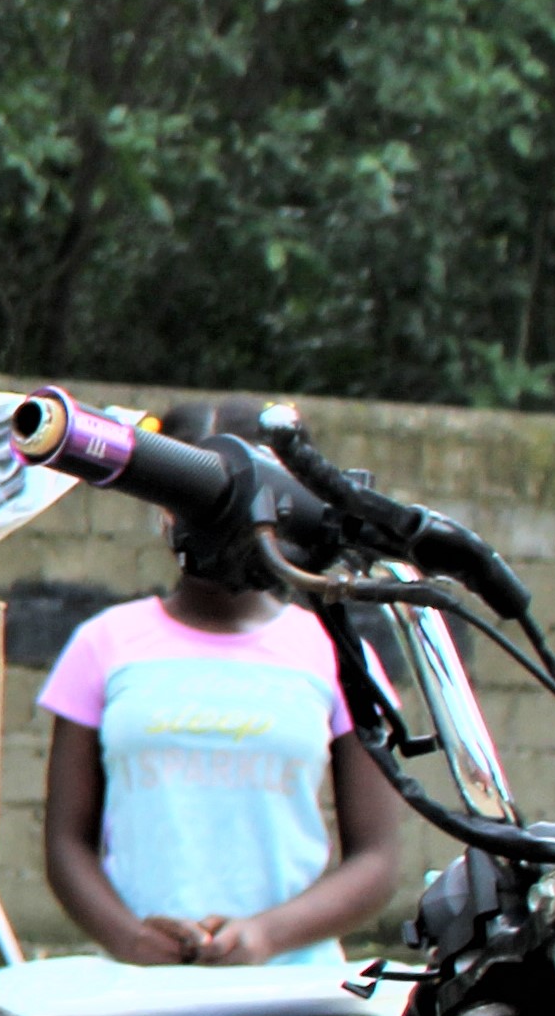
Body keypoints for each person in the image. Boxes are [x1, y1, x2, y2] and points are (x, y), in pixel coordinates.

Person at [39, 396, 405, 965]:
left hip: (293, 997)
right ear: (161, 507)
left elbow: (377, 859)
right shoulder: (102, 645)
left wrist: (268, 934)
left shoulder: (334, 652)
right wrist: (130, 938)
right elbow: (67, 844)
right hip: (143, 995)